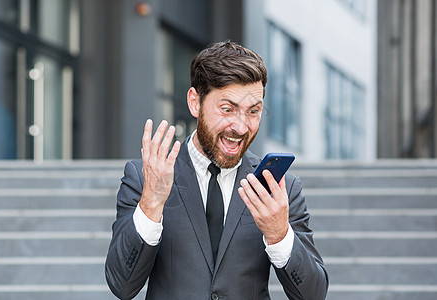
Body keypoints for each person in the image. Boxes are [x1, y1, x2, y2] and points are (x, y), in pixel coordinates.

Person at [105, 41, 328, 300]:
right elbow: (121, 285)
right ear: (195, 103)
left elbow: (313, 295)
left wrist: (279, 235)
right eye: (227, 109)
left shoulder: (280, 188)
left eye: (253, 111)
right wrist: (151, 204)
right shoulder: (145, 177)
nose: (241, 127)